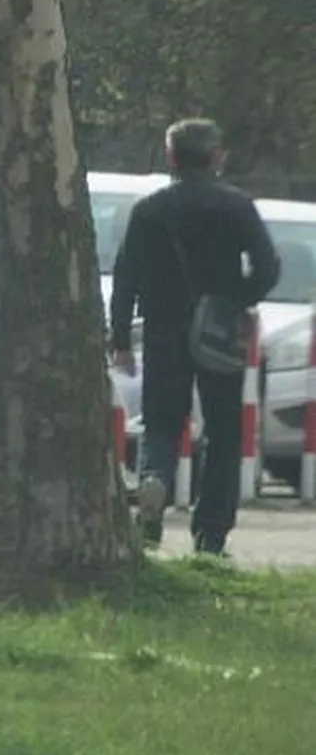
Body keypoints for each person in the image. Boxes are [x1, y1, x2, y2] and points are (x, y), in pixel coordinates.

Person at [109, 119, 280, 557]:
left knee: (162, 421)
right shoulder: (237, 207)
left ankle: (155, 485)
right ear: (217, 155)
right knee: (223, 430)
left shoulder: (149, 210)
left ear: (171, 157)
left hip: (164, 328)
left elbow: (126, 276)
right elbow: (267, 266)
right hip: (220, 330)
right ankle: (211, 533)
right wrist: (237, 298)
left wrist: (121, 336)